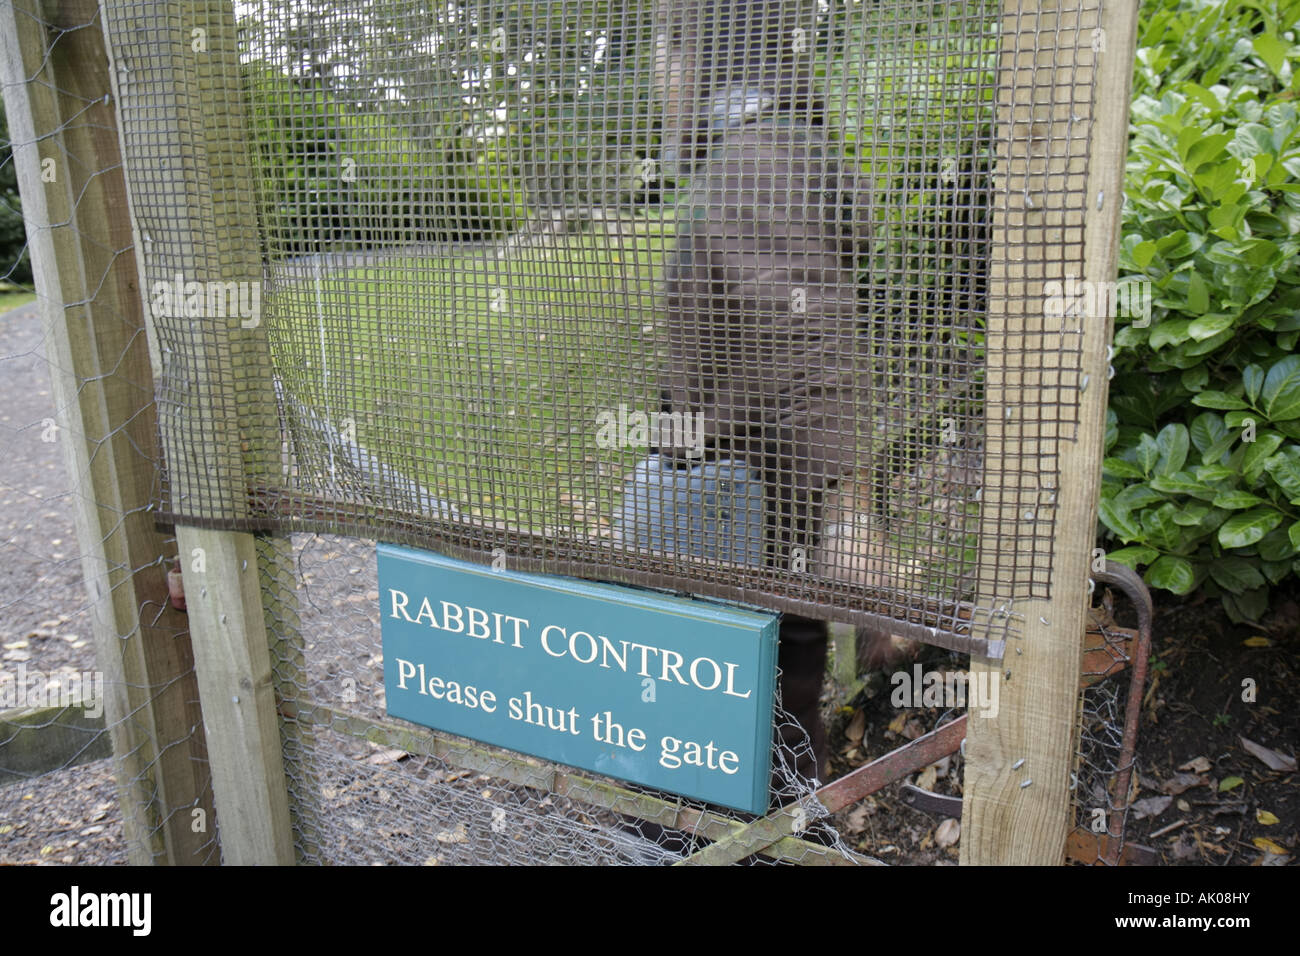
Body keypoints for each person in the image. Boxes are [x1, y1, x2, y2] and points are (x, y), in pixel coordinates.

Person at [651, 0, 870, 789]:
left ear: (701, 57)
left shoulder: (756, 158)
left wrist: (850, 510)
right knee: (779, 693)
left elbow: (807, 329)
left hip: (736, 505)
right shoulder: (785, 148)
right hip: (761, 500)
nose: (659, 81)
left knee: (718, 733)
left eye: (666, 54)